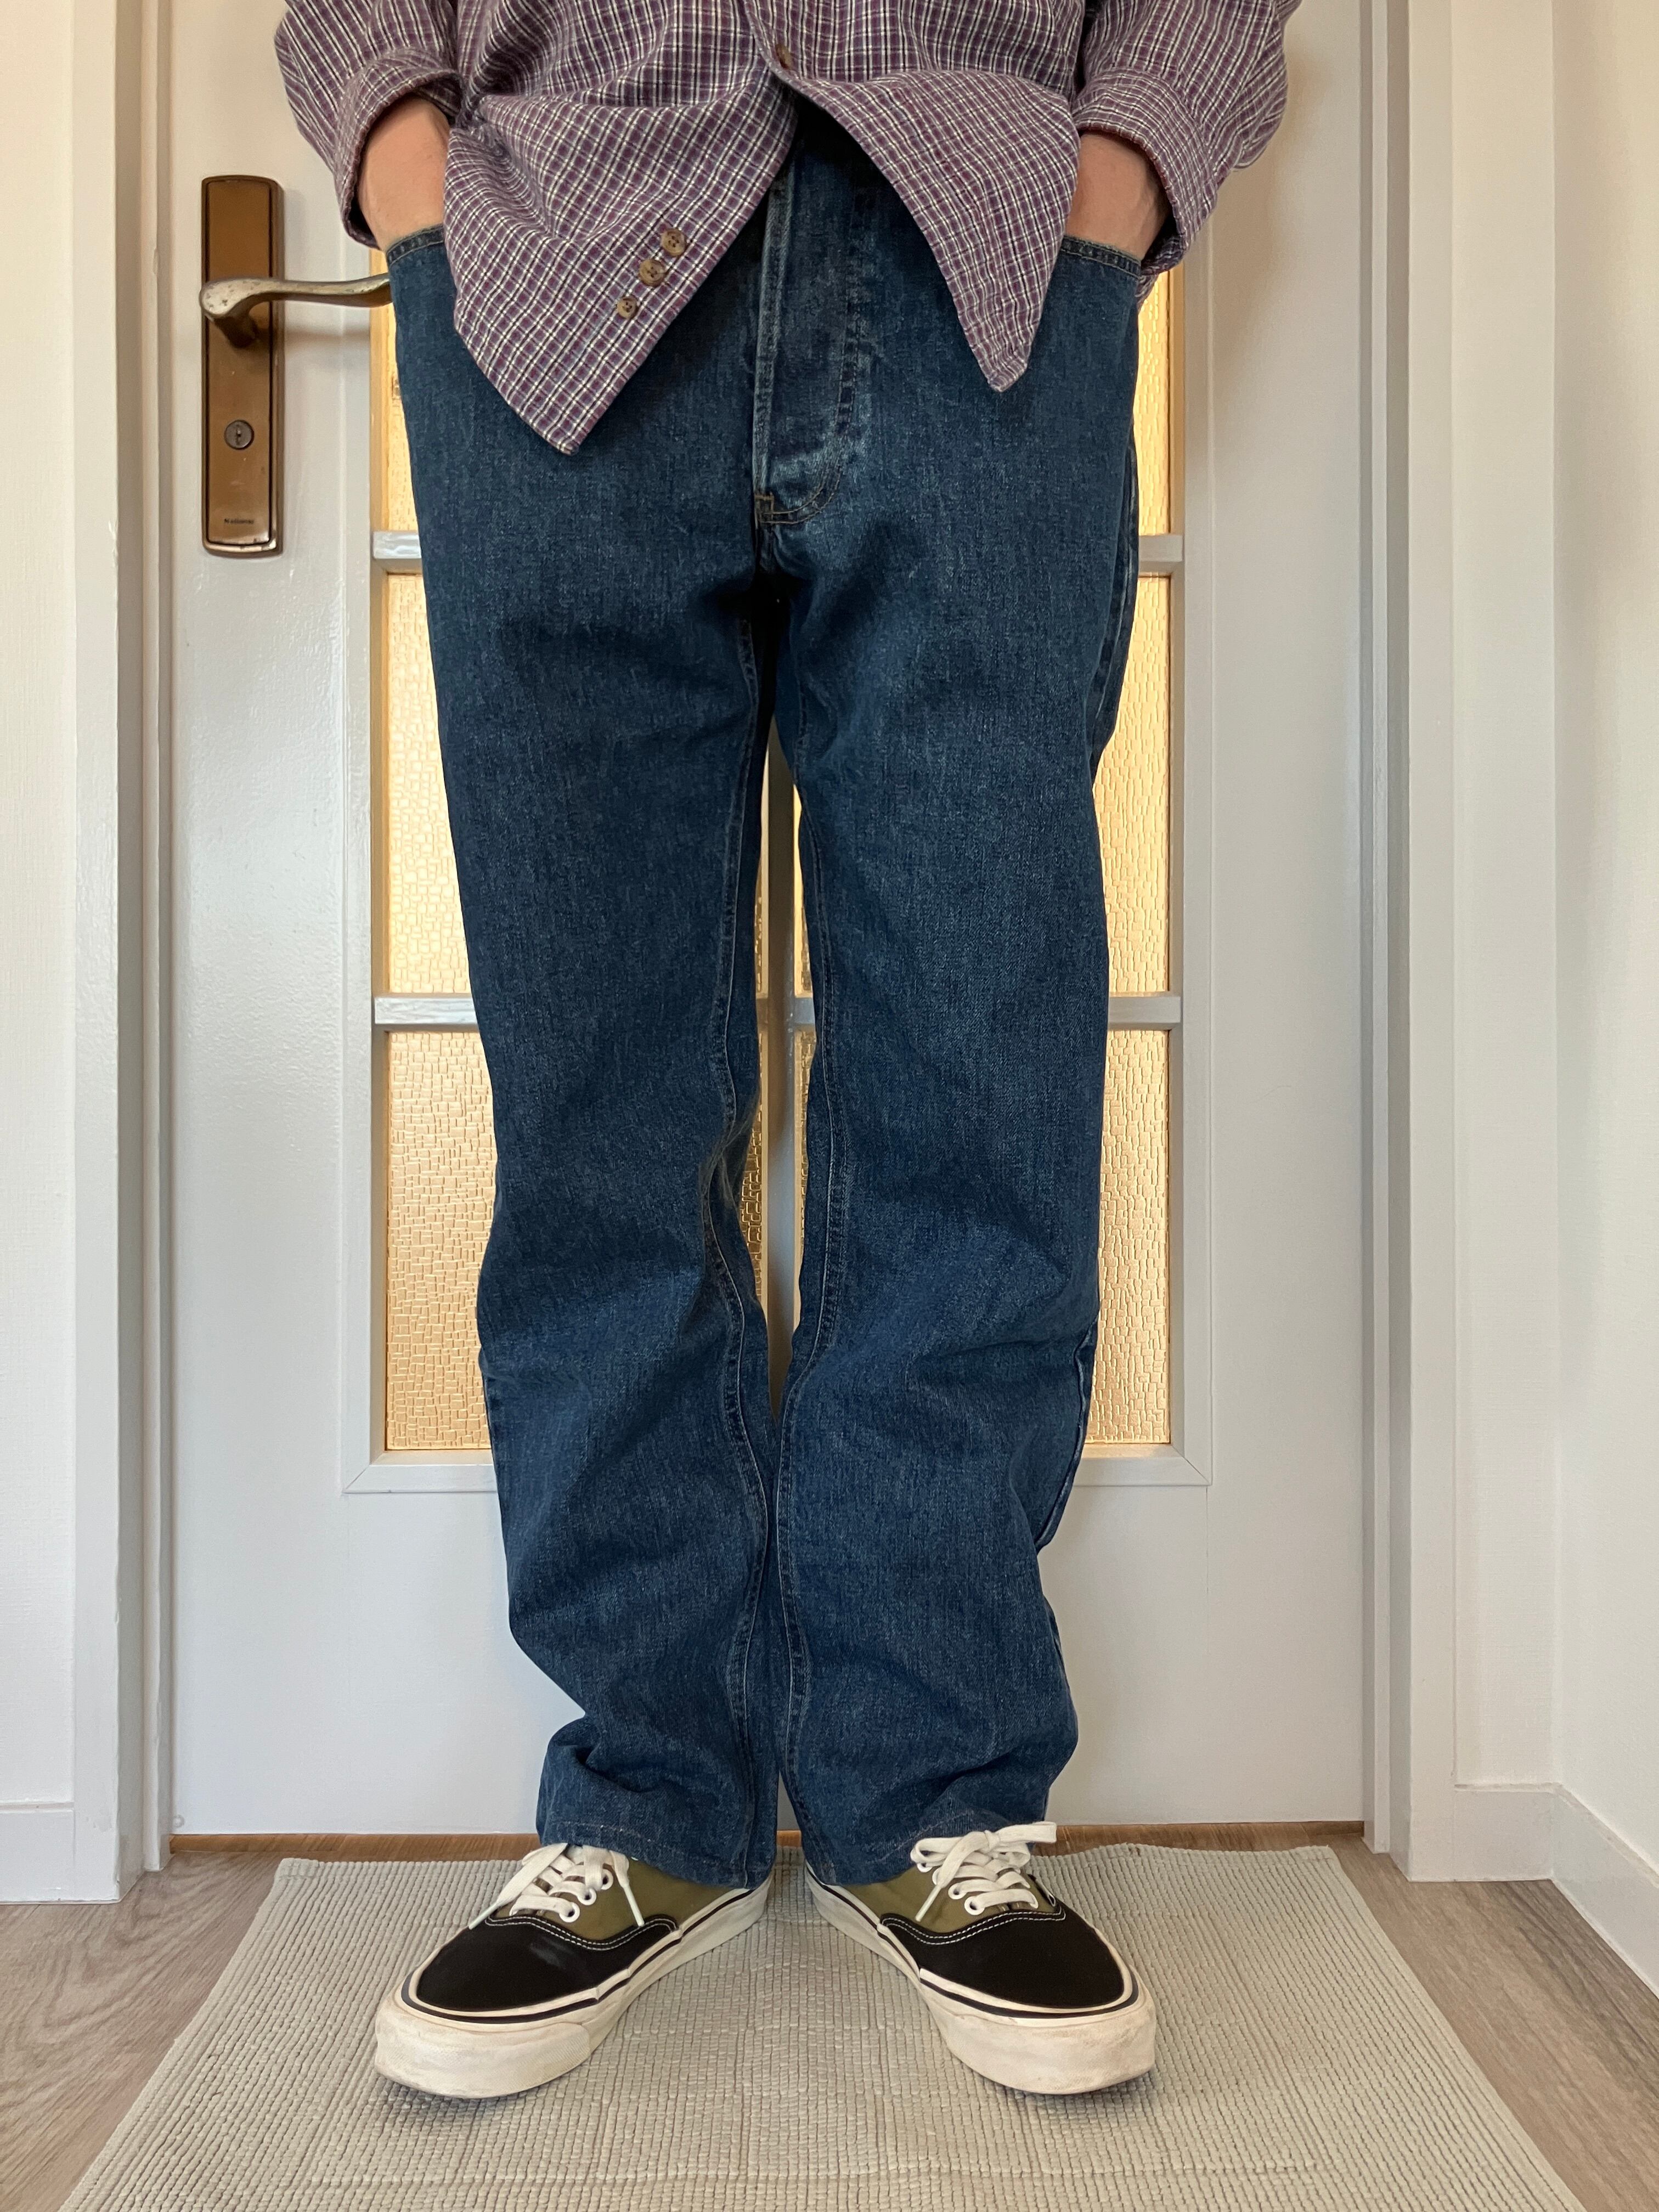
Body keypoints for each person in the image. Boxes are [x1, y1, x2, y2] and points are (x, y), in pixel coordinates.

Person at [278, 0, 1295, 2104]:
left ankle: (934, 1788)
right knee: (598, 1104)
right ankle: (650, 1798)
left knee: (974, 1074)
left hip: (982, 277)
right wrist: (405, 163)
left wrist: (1117, 183)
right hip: (552, 264)